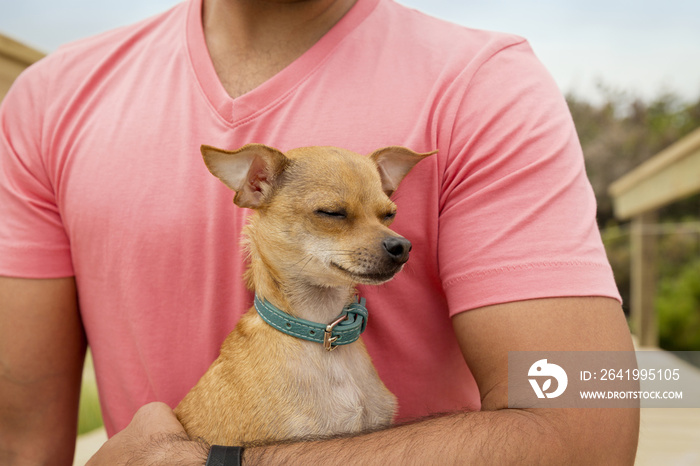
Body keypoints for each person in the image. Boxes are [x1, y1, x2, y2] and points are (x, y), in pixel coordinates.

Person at [0, 0, 639, 464]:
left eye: (388, 213)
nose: (391, 238)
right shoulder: (51, 100)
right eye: (336, 214)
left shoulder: (484, 83)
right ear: (252, 187)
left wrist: (218, 462)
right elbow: (19, 442)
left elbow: (589, 426)